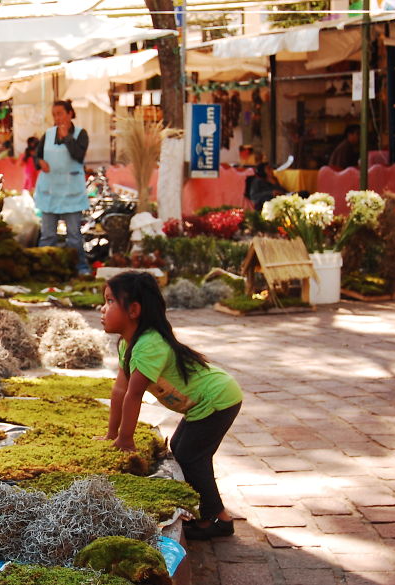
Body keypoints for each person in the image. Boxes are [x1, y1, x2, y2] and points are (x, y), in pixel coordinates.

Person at [101, 271, 243, 540]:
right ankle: (210, 516)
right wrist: (112, 434)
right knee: (182, 451)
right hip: (203, 403)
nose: (102, 308)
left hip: (217, 398)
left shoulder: (149, 344)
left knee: (191, 456)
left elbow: (134, 395)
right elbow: (119, 390)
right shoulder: (128, 344)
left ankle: (219, 520)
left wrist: (126, 439)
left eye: (109, 301)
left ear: (133, 310)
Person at [34, 99, 91, 275]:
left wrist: (67, 137)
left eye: (60, 113)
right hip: (50, 191)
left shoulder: (81, 134)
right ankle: (45, 269)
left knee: (74, 235)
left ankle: (79, 268)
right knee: (47, 236)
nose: (57, 118)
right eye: (54, 114)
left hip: (71, 193)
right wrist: (40, 162)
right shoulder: (48, 134)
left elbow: (78, 156)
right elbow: (37, 156)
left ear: (70, 113)